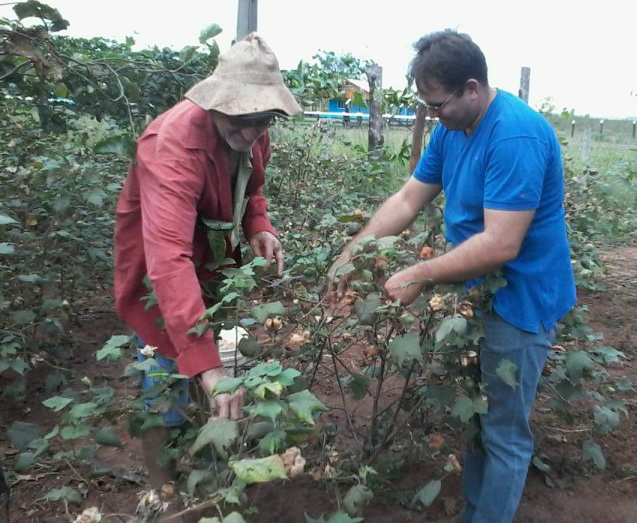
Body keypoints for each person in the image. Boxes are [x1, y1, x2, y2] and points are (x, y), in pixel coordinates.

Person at [328, 30, 576, 523]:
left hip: (520, 299)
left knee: (504, 430)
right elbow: (407, 199)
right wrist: (353, 251)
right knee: (481, 415)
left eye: (436, 104)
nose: (430, 115)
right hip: (478, 291)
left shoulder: (515, 135)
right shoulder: (451, 130)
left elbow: (501, 243)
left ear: (471, 88)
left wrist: (419, 272)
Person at [113, 33, 301, 491]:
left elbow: (252, 188)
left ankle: (208, 465)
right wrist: (208, 368)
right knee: (165, 379)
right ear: (218, 100)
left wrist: (259, 224)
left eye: (264, 117)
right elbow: (168, 261)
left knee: (215, 362)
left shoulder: (253, 135)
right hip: (162, 276)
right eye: (244, 116)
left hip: (214, 266)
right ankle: (163, 494)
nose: (254, 129)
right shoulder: (172, 144)